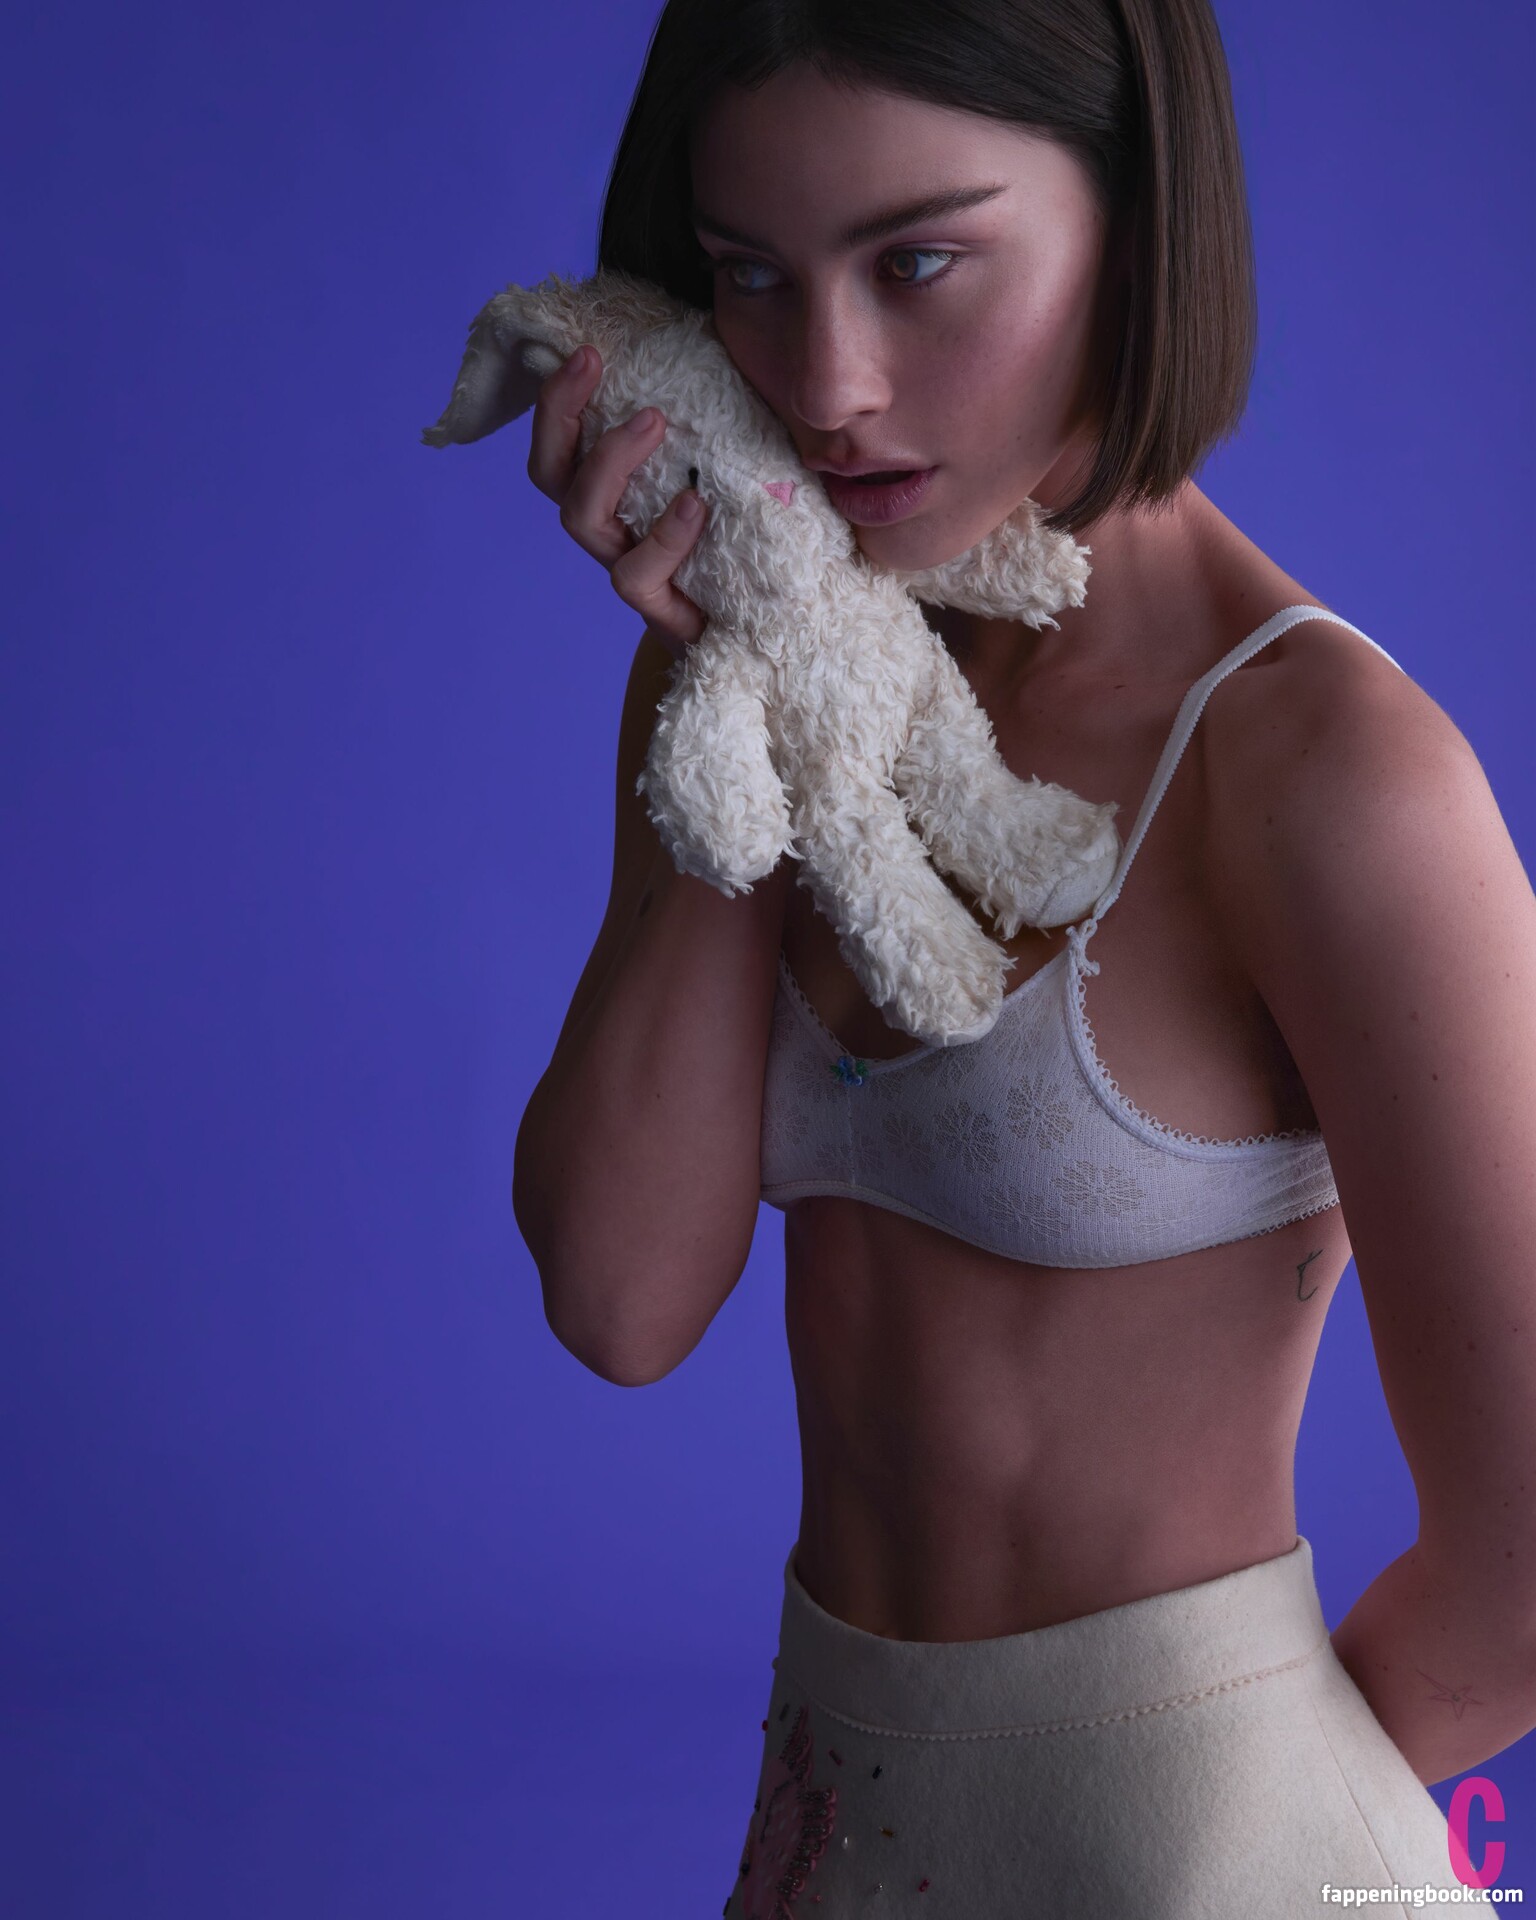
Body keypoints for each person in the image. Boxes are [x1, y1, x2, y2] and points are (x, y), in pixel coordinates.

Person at [511, 2, 1536, 1911]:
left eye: (918, 263)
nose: (827, 386)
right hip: (830, 1839)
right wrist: (735, 656)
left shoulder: (1322, 779)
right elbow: (619, 1299)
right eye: (749, 275)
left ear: (1138, 228)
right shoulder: (758, 686)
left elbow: (1530, 1563)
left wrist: (1250, 1809)